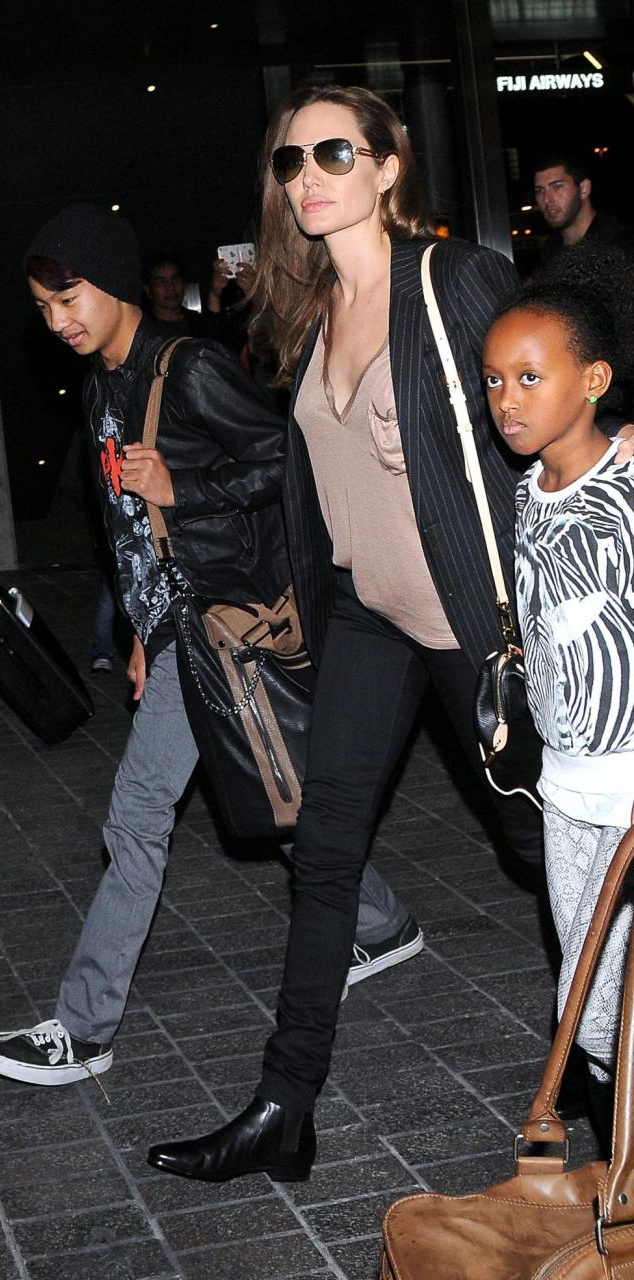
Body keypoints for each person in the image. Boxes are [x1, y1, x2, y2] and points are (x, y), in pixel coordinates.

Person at [146, 82, 548, 1185]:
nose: (309, 175)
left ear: (386, 166)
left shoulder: (454, 279)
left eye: (333, 152)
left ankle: (604, 1075)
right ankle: (284, 1103)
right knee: (323, 854)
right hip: (367, 619)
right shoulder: (308, 310)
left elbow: (541, 422)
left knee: (544, 853)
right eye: (290, 161)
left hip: (475, 625)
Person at [0, 202, 419, 1088]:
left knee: (137, 812)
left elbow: (293, 461)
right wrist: (140, 631)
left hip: (227, 624)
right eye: (45, 308)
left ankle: (85, 1029)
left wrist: (190, 484)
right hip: (181, 629)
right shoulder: (101, 385)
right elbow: (130, 534)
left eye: (70, 296)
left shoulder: (189, 367)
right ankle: (381, 922)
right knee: (271, 786)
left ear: (114, 280)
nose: (60, 321)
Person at [481, 241, 634, 1151]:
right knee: (592, 998)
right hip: (568, 789)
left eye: (532, 377)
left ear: (595, 379)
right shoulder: (522, 492)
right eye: (495, 381)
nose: (509, 400)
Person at [533, 152, 634, 266]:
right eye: (540, 190)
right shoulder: (549, 253)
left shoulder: (621, 246)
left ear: (584, 189)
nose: (547, 199)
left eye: (557, 186)